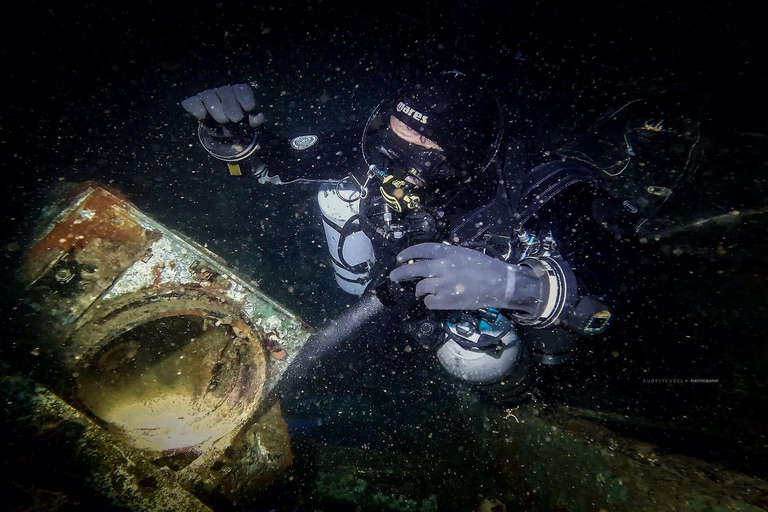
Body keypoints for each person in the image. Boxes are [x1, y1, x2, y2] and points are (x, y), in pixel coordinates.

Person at [181, 71, 618, 403]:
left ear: (464, 155)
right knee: (338, 195)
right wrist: (234, 138)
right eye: (395, 128)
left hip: (486, 317)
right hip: (388, 290)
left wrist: (516, 287)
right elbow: (273, 165)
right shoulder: (374, 148)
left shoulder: (543, 188)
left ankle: (513, 398)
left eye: (420, 140)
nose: (393, 149)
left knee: (483, 363)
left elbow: (619, 289)